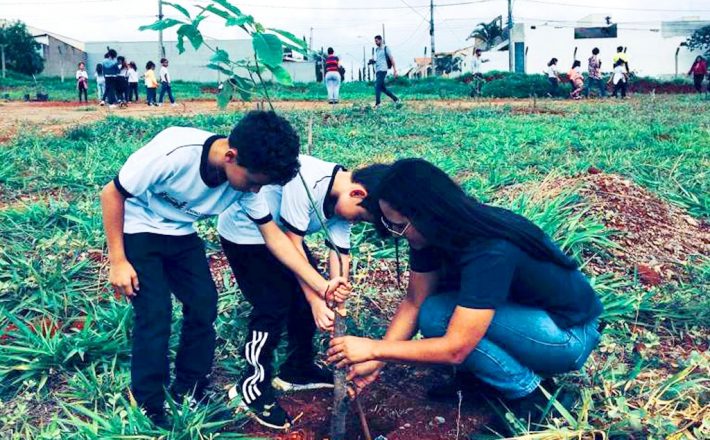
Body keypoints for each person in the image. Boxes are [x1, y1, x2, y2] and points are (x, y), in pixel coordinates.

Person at [100, 111, 350, 428]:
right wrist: (118, 261)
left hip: (181, 233)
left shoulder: (246, 184)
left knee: (204, 303)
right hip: (137, 227)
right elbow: (112, 193)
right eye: (255, 182)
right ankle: (148, 401)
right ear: (230, 157)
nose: (256, 191)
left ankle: (189, 389)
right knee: (155, 312)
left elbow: (273, 236)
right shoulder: (174, 151)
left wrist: (319, 284)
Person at [326, 158, 603, 435]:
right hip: (526, 321)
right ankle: (488, 381)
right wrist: (377, 362)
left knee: (441, 315)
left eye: (398, 226)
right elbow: (414, 301)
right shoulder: (431, 234)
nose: (397, 234)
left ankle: (532, 396)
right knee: (433, 312)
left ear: (424, 213)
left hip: (567, 337)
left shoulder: (490, 249)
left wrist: (374, 348)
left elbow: (455, 348)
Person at [218, 156, 389, 430]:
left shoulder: (343, 198)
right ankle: (251, 387)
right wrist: (315, 299)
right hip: (247, 235)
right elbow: (292, 244)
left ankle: (298, 369)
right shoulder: (308, 179)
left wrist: (336, 296)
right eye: (360, 217)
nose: (355, 222)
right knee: (273, 305)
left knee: (303, 302)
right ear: (358, 194)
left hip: (282, 239)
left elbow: (340, 251)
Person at [371, 35, 399, 108]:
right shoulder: (376, 50)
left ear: (380, 40)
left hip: (383, 69)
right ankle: (396, 99)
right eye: (375, 41)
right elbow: (379, 60)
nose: (376, 42)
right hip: (378, 70)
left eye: (377, 41)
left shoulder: (386, 48)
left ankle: (378, 104)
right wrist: (373, 61)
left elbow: (392, 59)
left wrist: (395, 70)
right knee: (382, 88)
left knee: (377, 86)